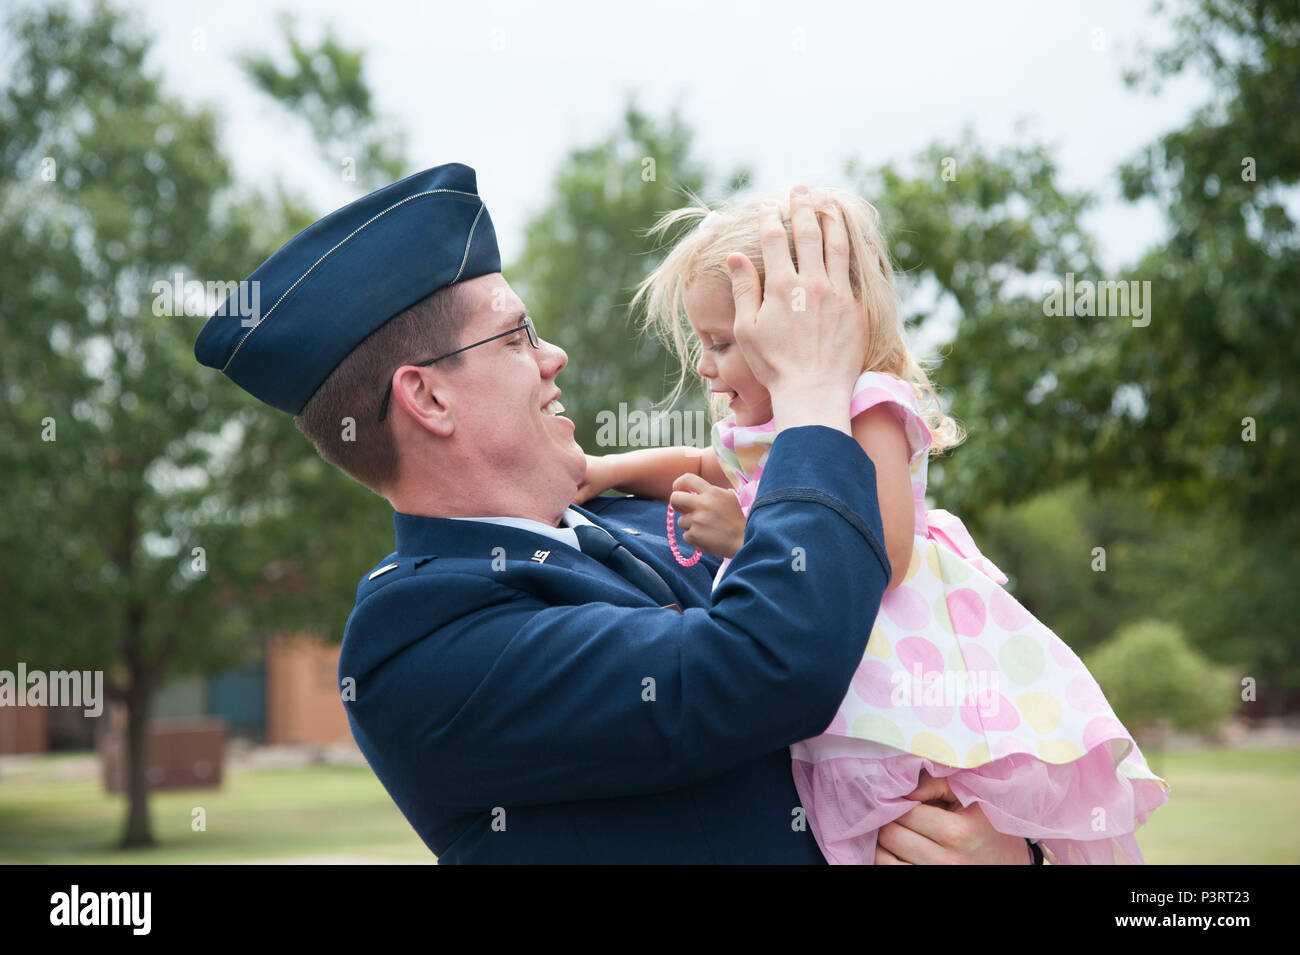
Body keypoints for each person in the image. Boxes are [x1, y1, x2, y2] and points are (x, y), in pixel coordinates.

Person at [196, 163, 1038, 863]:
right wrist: (815, 393)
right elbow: (768, 665)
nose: (554, 354)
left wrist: (1010, 851)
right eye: (517, 336)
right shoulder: (417, 641)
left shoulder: (651, 521)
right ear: (428, 397)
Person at [578, 186, 1171, 863]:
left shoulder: (868, 405)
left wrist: (748, 540)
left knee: (917, 812)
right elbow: (699, 463)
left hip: (900, 669)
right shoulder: (757, 429)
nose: (707, 367)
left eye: (721, 343)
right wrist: (608, 469)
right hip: (843, 672)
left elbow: (883, 550)